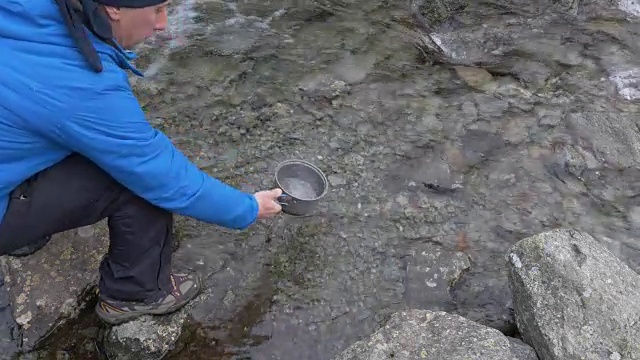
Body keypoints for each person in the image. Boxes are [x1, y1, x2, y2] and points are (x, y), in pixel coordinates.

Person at [0, 0, 283, 325]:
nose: (164, 24)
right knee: (134, 182)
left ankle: (25, 230)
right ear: (113, 9)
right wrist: (249, 208)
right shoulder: (84, 89)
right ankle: (133, 294)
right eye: (158, 10)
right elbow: (165, 179)